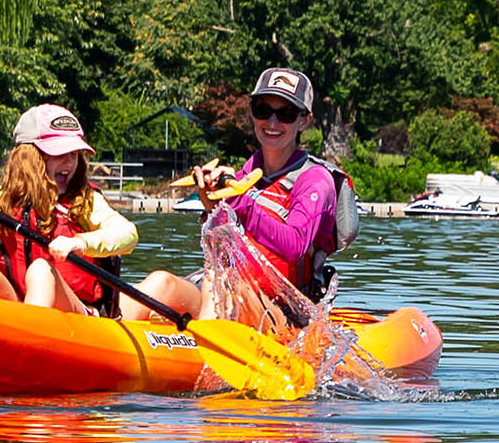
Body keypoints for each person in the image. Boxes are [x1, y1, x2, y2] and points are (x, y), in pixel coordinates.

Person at [134, 66, 347, 323]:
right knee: (161, 283)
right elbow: (224, 249)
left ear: (304, 121)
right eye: (263, 110)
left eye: (286, 114)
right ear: (252, 112)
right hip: (232, 293)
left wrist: (239, 202)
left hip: (284, 315)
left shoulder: (315, 180)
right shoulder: (247, 172)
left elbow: (294, 246)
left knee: (221, 282)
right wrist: (211, 204)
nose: (272, 123)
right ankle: (104, 326)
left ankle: (206, 342)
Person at [0, 104, 137, 316]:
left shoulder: (85, 201)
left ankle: (27, 329)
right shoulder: (3, 199)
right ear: (30, 158)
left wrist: (80, 243)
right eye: (59, 153)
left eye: (74, 153)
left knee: (41, 270)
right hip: (18, 306)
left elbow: (128, 234)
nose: (69, 161)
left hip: (76, 314)